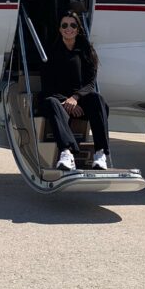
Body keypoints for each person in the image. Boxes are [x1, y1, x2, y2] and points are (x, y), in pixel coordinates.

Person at [38, 11, 111, 171]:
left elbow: (91, 83)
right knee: (50, 102)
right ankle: (66, 153)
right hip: (58, 101)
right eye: (64, 25)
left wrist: (75, 98)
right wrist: (67, 101)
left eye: (73, 25)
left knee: (98, 100)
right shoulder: (50, 53)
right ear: (59, 29)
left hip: (79, 100)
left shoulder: (86, 52)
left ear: (78, 29)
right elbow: (48, 85)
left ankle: (100, 154)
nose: (68, 28)